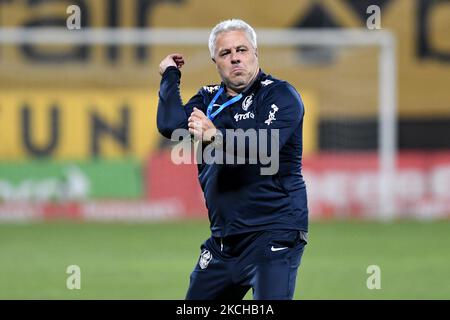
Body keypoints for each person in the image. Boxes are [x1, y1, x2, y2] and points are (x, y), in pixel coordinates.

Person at [156, 19, 308, 300]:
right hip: (225, 241)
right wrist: (169, 76)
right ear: (216, 60)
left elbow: (266, 147)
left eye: (242, 49)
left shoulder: (279, 95)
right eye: (226, 53)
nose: (235, 57)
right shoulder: (208, 99)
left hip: (273, 232)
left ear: (255, 54)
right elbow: (171, 127)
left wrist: (215, 136)